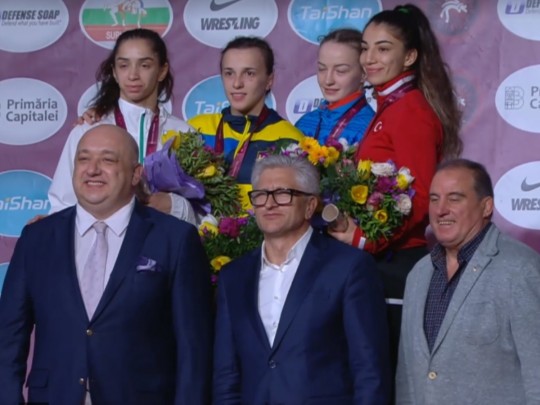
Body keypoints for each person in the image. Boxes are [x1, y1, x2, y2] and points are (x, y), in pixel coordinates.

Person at [0, 125, 213, 404]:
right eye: (84, 159)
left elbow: (194, 349)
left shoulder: (175, 239)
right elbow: (8, 338)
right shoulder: (37, 238)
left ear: (136, 174)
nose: (92, 169)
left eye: (108, 160)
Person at [328, 3, 463, 378]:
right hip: (383, 261)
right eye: (365, 48)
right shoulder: (391, 107)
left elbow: (420, 196)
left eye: (383, 48)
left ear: (410, 56)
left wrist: (365, 239)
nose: (369, 58)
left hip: (398, 263)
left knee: (385, 379)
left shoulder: (410, 110)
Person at [213, 154, 391, 404]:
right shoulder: (233, 276)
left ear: (310, 205)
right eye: (261, 195)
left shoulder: (349, 267)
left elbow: (370, 371)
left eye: (282, 194)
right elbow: (226, 376)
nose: (269, 204)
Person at [396, 158, 540, 404]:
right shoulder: (418, 275)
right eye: (434, 199)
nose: (441, 210)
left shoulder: (521, 269)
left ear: (486, 207)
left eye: (454, 198)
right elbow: (406, 376)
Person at [48, 28, 197, 224]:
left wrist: (175, 206)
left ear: (162, 71)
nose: (133, 75)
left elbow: (207, 216)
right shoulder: (87, 130)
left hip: (163, 240)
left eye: (144, 65)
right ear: (114, 72)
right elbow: (62, 204)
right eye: (124, 65)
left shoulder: (184, 134)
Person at [188, 36, 305, 207]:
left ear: (269, 80)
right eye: (229, 73)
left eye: (249, 73)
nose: (237, 83)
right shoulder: (196, 129)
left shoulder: (290, 140)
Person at [295, 28, 374, 146]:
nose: (328, 80)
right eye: (322, 69)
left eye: (340, 71)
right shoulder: (306, 122)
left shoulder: (370, 128)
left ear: (364, 73)